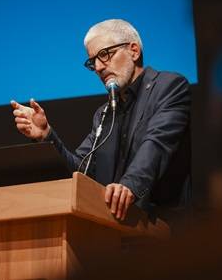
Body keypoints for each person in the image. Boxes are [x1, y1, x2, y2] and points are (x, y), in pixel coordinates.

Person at [11, 19, 191, 227]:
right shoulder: (105, 113)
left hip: (162, 230)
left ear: (134, 51)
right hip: (111, 232)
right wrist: (47, 135)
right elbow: (81, 171)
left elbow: (157, 144)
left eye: (104, 55)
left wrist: (129, 186)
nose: (98, 67)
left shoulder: (169, 87)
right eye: (92, 62)